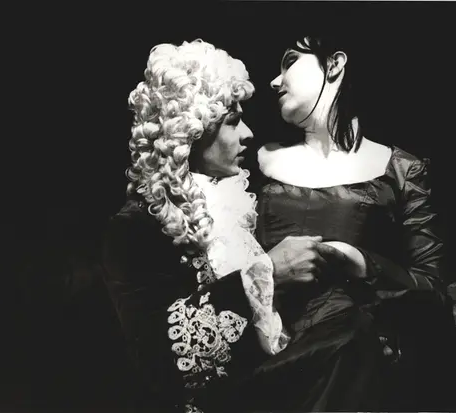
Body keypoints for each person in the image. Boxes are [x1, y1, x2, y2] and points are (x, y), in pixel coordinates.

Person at [100, 39, 355, 413]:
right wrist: (267, 272)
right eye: (232, 121)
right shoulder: (135, 227)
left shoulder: (242, 206)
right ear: (192, 133)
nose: (248, 133)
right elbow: (158, 356)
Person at [254, 32, 449, 409]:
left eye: (290, 61)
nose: (275, 81)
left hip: (348, 375)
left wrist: (358, 261)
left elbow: (434, 293)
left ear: (334, 64)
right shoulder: (254, 162)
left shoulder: (402, 170)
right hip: (261, 362)